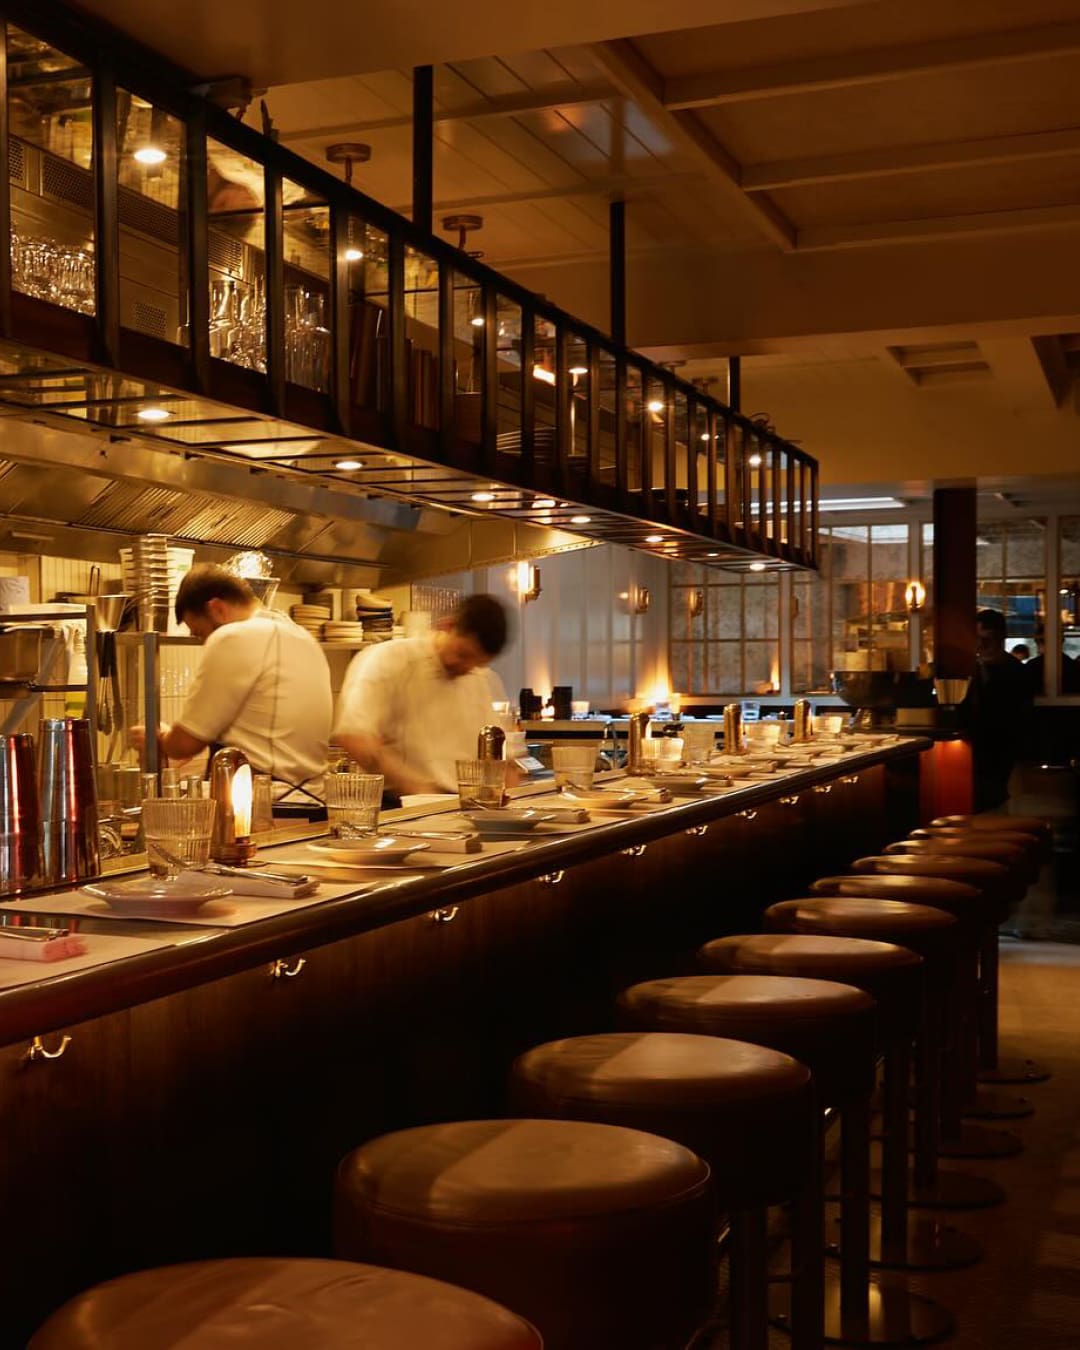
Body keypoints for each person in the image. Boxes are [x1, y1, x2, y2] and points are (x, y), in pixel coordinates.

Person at [135, 565, 333, 817]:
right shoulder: (302, 636)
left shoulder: (233, 637)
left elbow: (186, 743)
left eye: (200, 633)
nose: (204, 642)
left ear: (216, 608)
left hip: (264, 808)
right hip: (312, 804)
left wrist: (159, 738)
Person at [334, 594, 510, 797]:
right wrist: (415, 788)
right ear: (447, 625)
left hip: (463, 806)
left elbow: (505, 761)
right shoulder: (386, 660)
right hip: (401, 807)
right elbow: (354, 737)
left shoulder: (481, 678)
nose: (466, 667)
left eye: (477, 663)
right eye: (463, 654)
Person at [960, 608, 1033, 812]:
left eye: (987, 639)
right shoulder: (971, 668)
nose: (981, 645)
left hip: (1001, 747)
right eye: (977, 638)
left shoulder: (1016, 672)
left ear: (1002, 637)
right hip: (976, 745)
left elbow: (1020, 715)